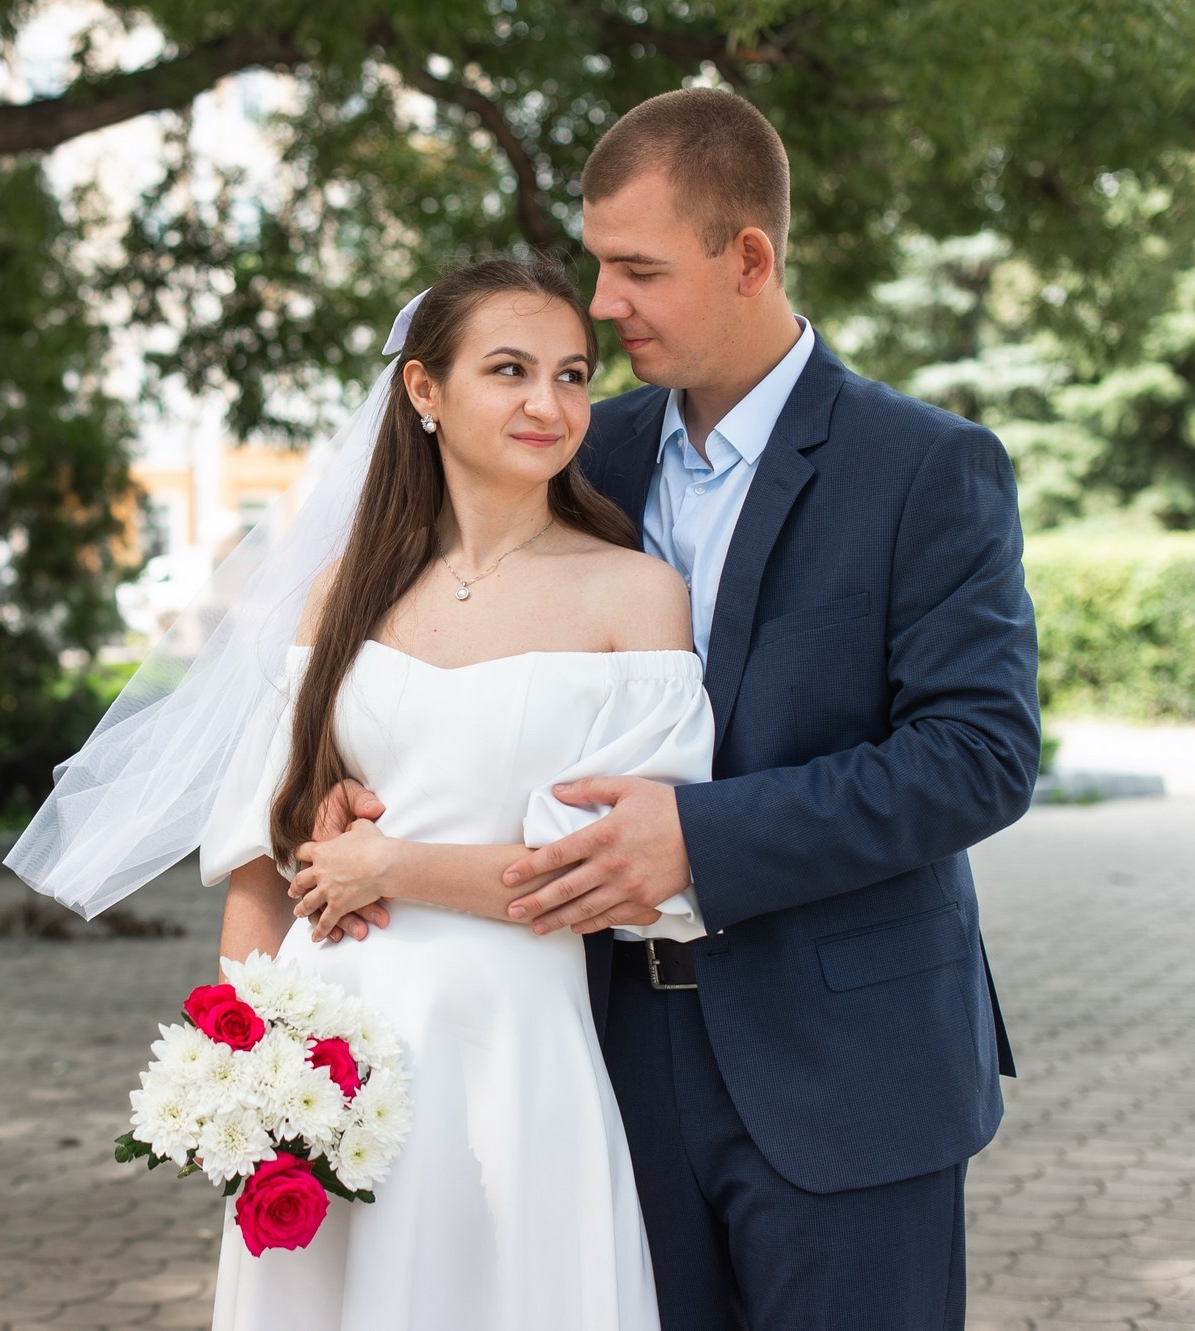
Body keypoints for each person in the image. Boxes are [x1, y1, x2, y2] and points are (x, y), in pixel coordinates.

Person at [299, 89, 1040, 1331]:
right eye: (597, 264)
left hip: (845, 1069)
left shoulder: (924, 466)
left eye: (635, 269)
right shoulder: (586, 447)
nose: (600, 304)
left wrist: (703, 836)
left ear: (747, 257)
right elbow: (447, 623)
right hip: (597, 1064)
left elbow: (977, 755)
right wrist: (364, 765)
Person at [193, 257, 714, 1330]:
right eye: (509, 369)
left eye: (572, 374)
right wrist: (241, 1071)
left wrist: (387, 865)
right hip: (323, 1041)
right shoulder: (343, 590)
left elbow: (617, 877)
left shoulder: (631, 592)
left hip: (511, 1042)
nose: (549, 403)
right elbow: (260, 844)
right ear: (423, 391)